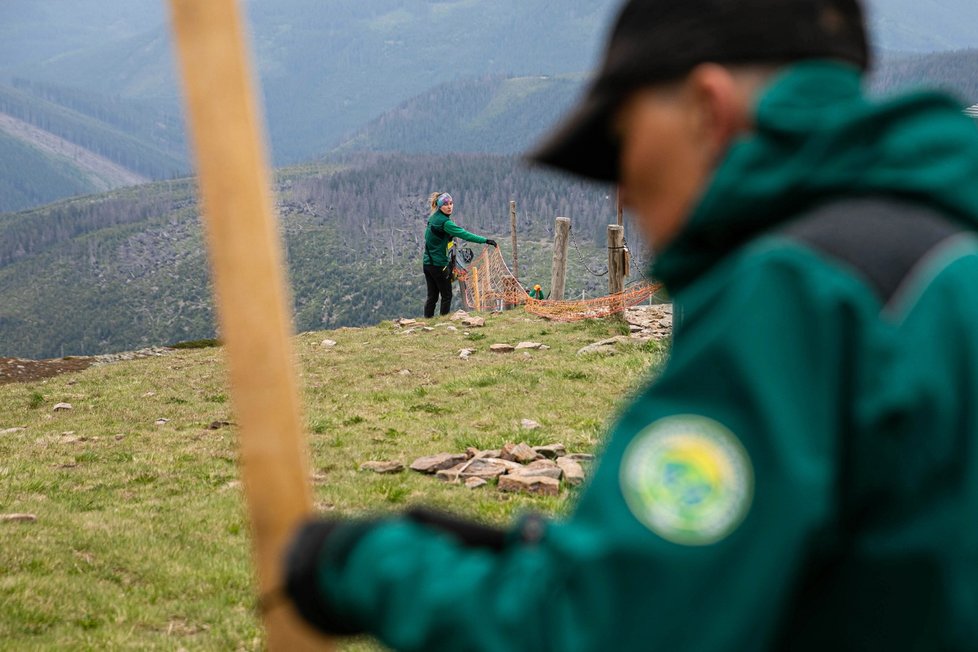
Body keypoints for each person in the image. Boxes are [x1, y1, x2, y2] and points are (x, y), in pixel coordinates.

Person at [283, 0, 978, 649]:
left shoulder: (795, 297)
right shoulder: (945, 253)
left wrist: (358, 563)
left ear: (708, 111)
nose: (621, 188)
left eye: (623, 141)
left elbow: (605, 625)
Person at [421, 191, 497, 318]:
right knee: (446, 295)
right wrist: (485, 240)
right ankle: (443, 322)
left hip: (427, 264)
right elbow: (464, 234)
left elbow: (429, 237)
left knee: (432, 296)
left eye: (451, 203)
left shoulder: (433, 218)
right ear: (440, 206)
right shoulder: (445, 223)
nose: (449, 206)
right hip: (439, 265)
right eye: (445, 204)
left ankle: (427, 321)